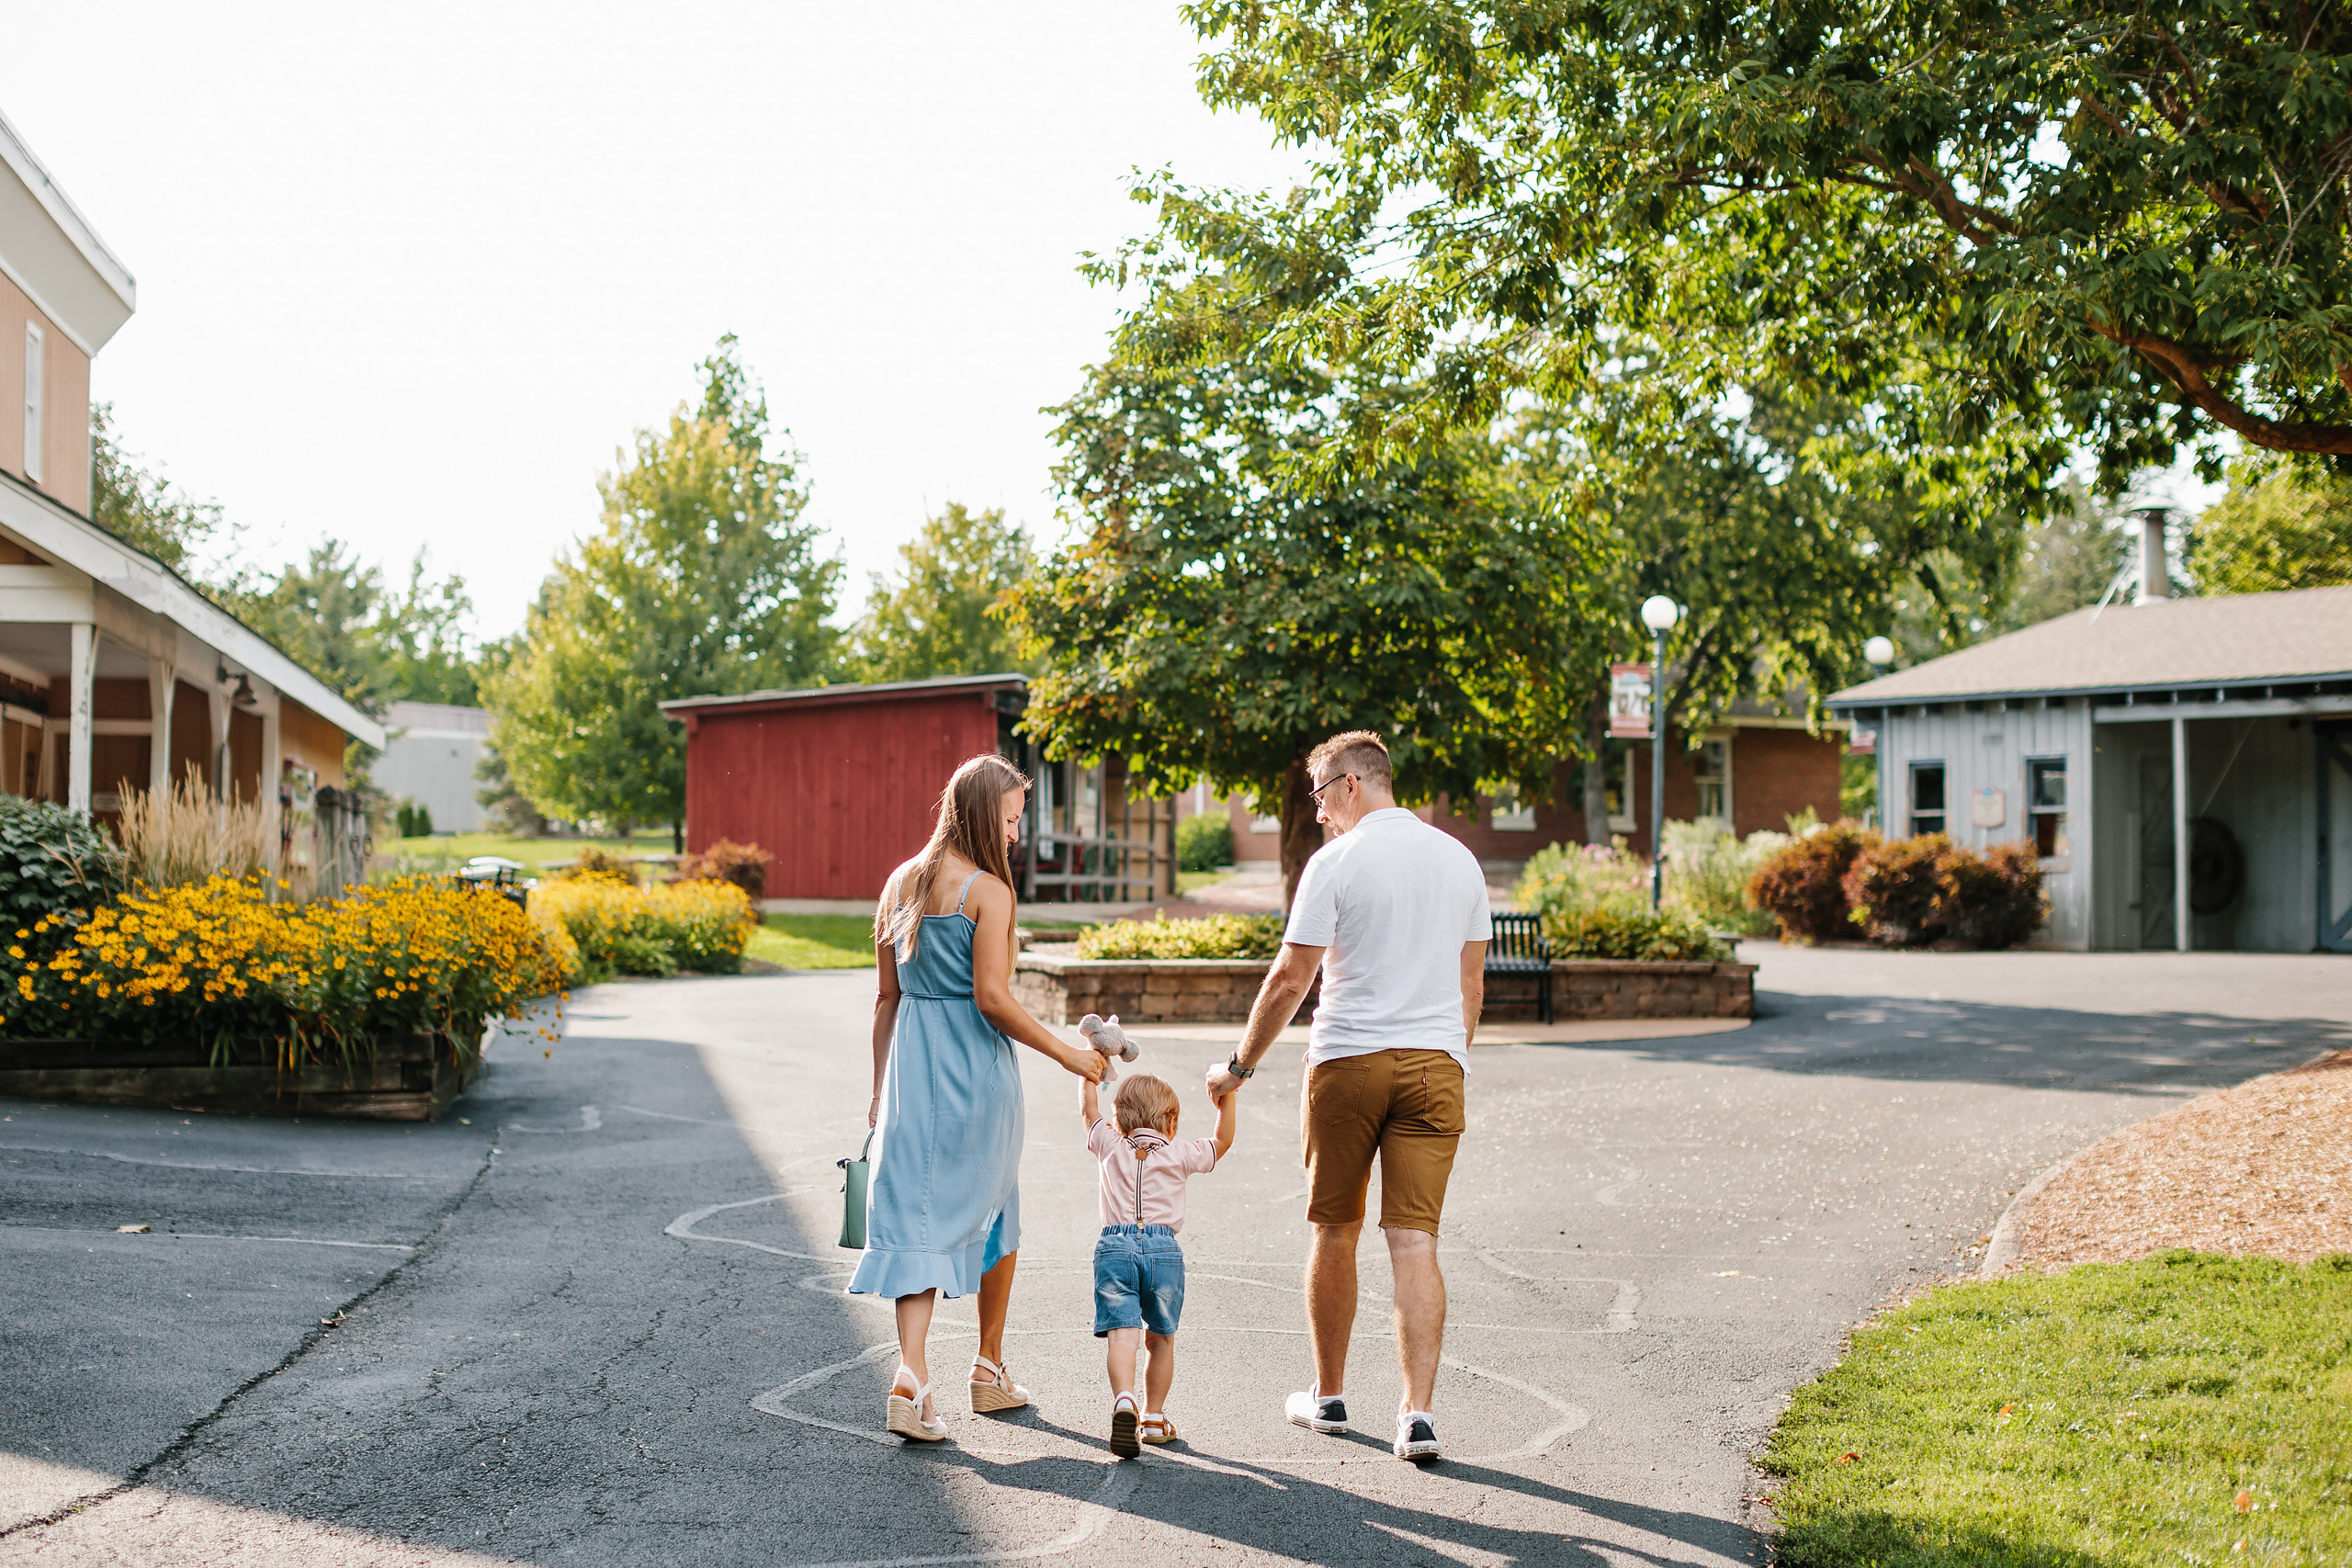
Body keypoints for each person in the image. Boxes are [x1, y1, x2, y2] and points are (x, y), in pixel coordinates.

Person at [1204, 730, 1489, 1464]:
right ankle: (1418, 1417)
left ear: (1352, 785)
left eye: (1322, 796)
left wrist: (1239, 1065)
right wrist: (1449, 1056)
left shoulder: (1335, 862)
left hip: (1348, 1063)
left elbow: (1291, 978)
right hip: (1434, 1068)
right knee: (1415, 1238)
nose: (1321, 812)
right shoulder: (1460, 860)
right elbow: (1471, 985)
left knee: (1336, 1228)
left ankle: (1328, 1398)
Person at [851, 753, 1106, 1442]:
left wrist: (879, 1091)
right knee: (997, 1210)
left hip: (912, 1070)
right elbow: (992, 998)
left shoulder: (899, 883)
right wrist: (1066, 1052)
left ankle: (912, 1374)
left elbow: (885, 997)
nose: (1017, 832)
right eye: (1012, 816)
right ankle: (987, 1368)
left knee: (914, 1218)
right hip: (976, 1074)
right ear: (982, 812)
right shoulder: (988, 891)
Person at [1080, 1069, 1237, 1458]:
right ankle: (1152, 1416)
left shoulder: (1108, 1143)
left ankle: (1124, 1401)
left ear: (1118, 1119)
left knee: (1123, 1335)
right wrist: (1226, 1097)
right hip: (1164, 1250)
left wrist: (1088, 1071)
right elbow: (1223, 1141)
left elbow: (1087, 1110)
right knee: (1161, 1338)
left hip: (1115, 1246)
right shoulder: (1180, 1151)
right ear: (1170, 1121)